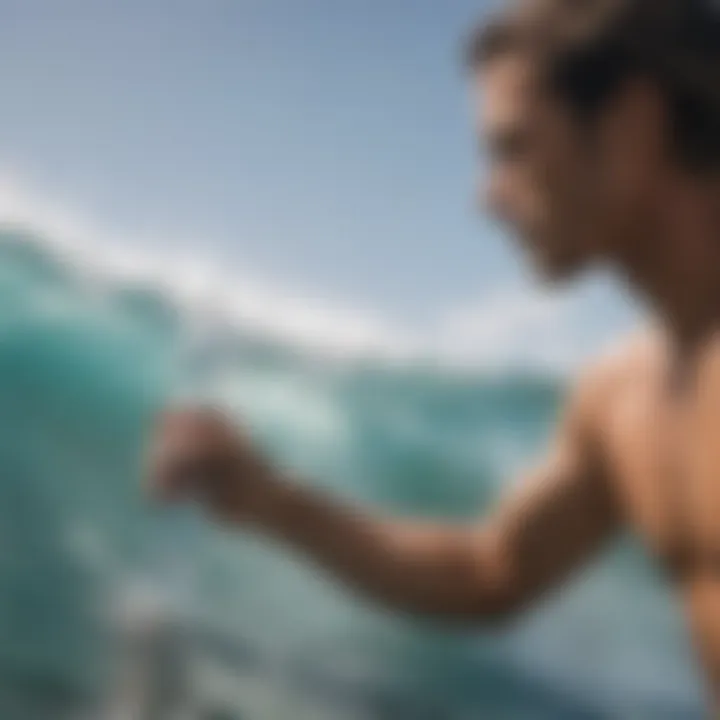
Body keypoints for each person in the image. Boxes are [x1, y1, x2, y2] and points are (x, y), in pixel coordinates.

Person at [146, 0, 720, 709]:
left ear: (630, 122)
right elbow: (491, 572)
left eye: (513, 148)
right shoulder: (621, 398)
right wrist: (271, 500)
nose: (487, 198)